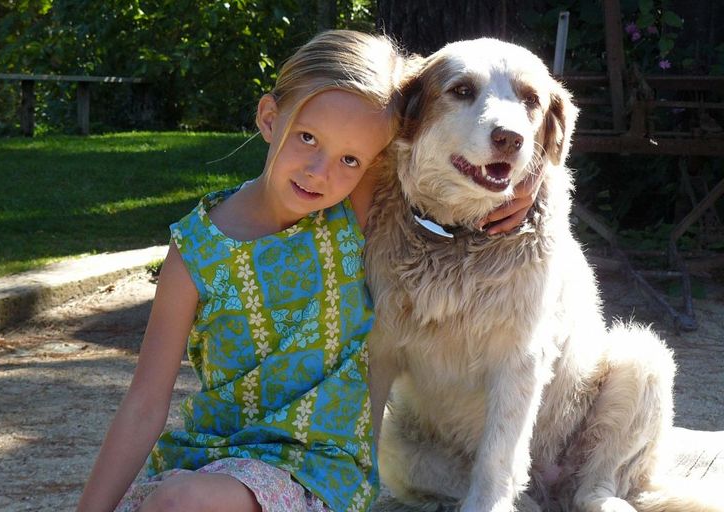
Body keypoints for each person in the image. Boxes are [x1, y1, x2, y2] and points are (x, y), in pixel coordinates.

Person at [76, 30, 539, 512]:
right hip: (212, 460)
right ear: (269, 118)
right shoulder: (194, 251)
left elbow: (453, 146)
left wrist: (524, 180)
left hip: (316, 471)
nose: (320, 171)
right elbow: (145, 404)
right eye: (307, 138)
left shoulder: (357, 209)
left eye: (350, 158)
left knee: (182, 503)